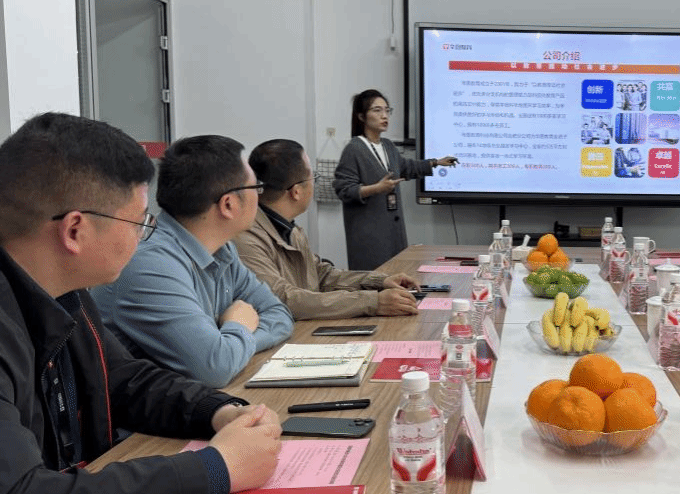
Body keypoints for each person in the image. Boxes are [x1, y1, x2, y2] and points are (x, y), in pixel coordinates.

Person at [0, 113, 281, 494]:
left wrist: (216, 410)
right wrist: (215, 468)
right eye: (139, 223)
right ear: (75, 230)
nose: (144, 236)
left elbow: (121, 380)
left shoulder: (64, 291)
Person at [93, 135, 294, 388]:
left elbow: (279, 315)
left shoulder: (222, 250)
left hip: (195, 401)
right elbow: (216, 367)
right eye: (256, 188)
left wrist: (231, 343)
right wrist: (239, 326)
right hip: (137, 413)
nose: (260, 196)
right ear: (228, 204)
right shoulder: (150, 264)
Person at [237, 139, 421, 319]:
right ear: (296, 191)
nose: (314, 183)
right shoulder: (246, 238)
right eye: (313, 177)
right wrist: (372, 302)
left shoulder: (289, 228)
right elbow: (284, 298)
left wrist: (379, 281)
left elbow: (322, 275)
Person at [333, 89, 457, 271]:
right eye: (377, 110)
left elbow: (406, 167)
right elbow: (344, 190)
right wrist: (376, 188)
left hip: (393, 233)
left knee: (397, 277)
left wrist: (435, 162)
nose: (384, 116)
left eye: (387, 110)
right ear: (361, 116)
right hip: (369, 237)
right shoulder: (354, 149)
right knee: (375, 282)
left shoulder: (388, 146)